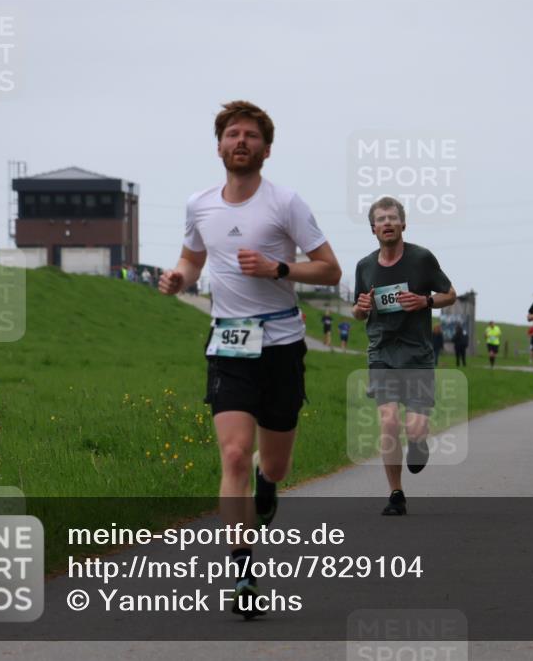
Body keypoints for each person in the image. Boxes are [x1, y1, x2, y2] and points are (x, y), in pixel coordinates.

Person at [158, 100, 341, 618]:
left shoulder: (286, 204)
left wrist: (278, 268)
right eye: (232, 134)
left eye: (251, 136)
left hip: (282, 345)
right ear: (218, 146)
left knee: (274, 463)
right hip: (228, 344)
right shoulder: (199, 204)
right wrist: (178, 279)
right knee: (235, 454)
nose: (241, 142)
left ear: (266, 148)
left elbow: (329, 270)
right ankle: (242, 569)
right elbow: (193, 258)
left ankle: (269, 485)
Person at [352, 196, 456, 516]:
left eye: (392, 218)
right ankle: (395, 493)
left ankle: (419, 442)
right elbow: (357, 311)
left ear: (403, 224)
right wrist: (361, 309)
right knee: (388, 420)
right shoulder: (365, 266)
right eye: (380, 219)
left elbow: (450, 294)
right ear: (373, 228)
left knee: (414, 428)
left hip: (417, 354)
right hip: (381, 351)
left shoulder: (422, 259)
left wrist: (425, 301)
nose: (387, 223)